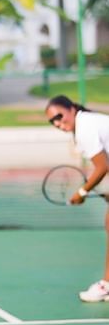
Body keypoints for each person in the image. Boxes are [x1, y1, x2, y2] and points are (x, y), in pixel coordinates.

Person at [46, 95, 109, 302]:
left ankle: (106, 285)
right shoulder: (86, 123)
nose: (57, 123)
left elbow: (102, 167)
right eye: (52, 121)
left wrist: (82, 192)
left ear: (71, 109)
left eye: (59, 116)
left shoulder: (85, 128)